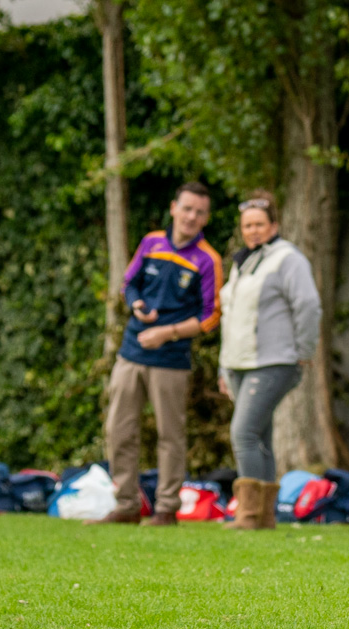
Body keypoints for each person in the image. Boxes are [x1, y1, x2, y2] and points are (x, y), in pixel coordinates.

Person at [86, 182, 223, 527]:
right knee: (119, 430)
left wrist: (168, 332)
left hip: (171, 360)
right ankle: (127, 505)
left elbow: (211, 315)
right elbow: (127, 283)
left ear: (206, 218)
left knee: (170, 436)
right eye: (187, 208)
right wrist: (136, 304)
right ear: (174, 207)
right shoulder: (151, 242)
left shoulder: (208, 259)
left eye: (200, 212)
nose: (192, 216)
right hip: (131, 353)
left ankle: (166, 509)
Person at [217, 191, 322, 530]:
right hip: (239, 363)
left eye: (260, 224)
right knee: (259, 436)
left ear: (274, 224)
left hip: (273, 361)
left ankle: (248, 513)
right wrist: (223, 364)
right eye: (248, 225)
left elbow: (307, 305)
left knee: (243, 432)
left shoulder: (287, 259)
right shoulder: (242, 263)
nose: (254, 231)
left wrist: (303, 351)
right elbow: (230, 317)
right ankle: (264, 516)